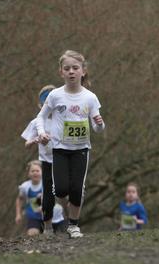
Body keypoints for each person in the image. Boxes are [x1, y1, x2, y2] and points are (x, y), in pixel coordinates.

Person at [35, 50, 106, 238]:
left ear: (83, 71)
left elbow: (98, 128)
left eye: (75, 68)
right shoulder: (55, 95)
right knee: (60, 190)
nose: (71, 71)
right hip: (59, 149)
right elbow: (40, 117)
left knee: (76, 190)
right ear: (61, 72)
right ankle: (63, 208)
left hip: (81, 150)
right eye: (67, 69)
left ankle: (73, 225)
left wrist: (99, 124)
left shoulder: (90, 97)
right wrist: (42, 133)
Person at [20, 84, 67, 234]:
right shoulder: (36, 122)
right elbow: (27, 144)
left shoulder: (64, 119)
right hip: (46, 161)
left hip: (63, 160)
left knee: (64, 191)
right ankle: (48, 227)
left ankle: (69, 221)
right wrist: (35, 140)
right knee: (48, 194)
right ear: (40, 105)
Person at [15, 160, 44, 236]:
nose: (35, 173)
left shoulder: (46, 184)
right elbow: (19, 199)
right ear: (28, 174)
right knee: (32, 235)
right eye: (32, 171)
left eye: (37, 171)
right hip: (33, 216)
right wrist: (18, 214)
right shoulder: (25, 186)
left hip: (48, 216)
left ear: (42, 172)